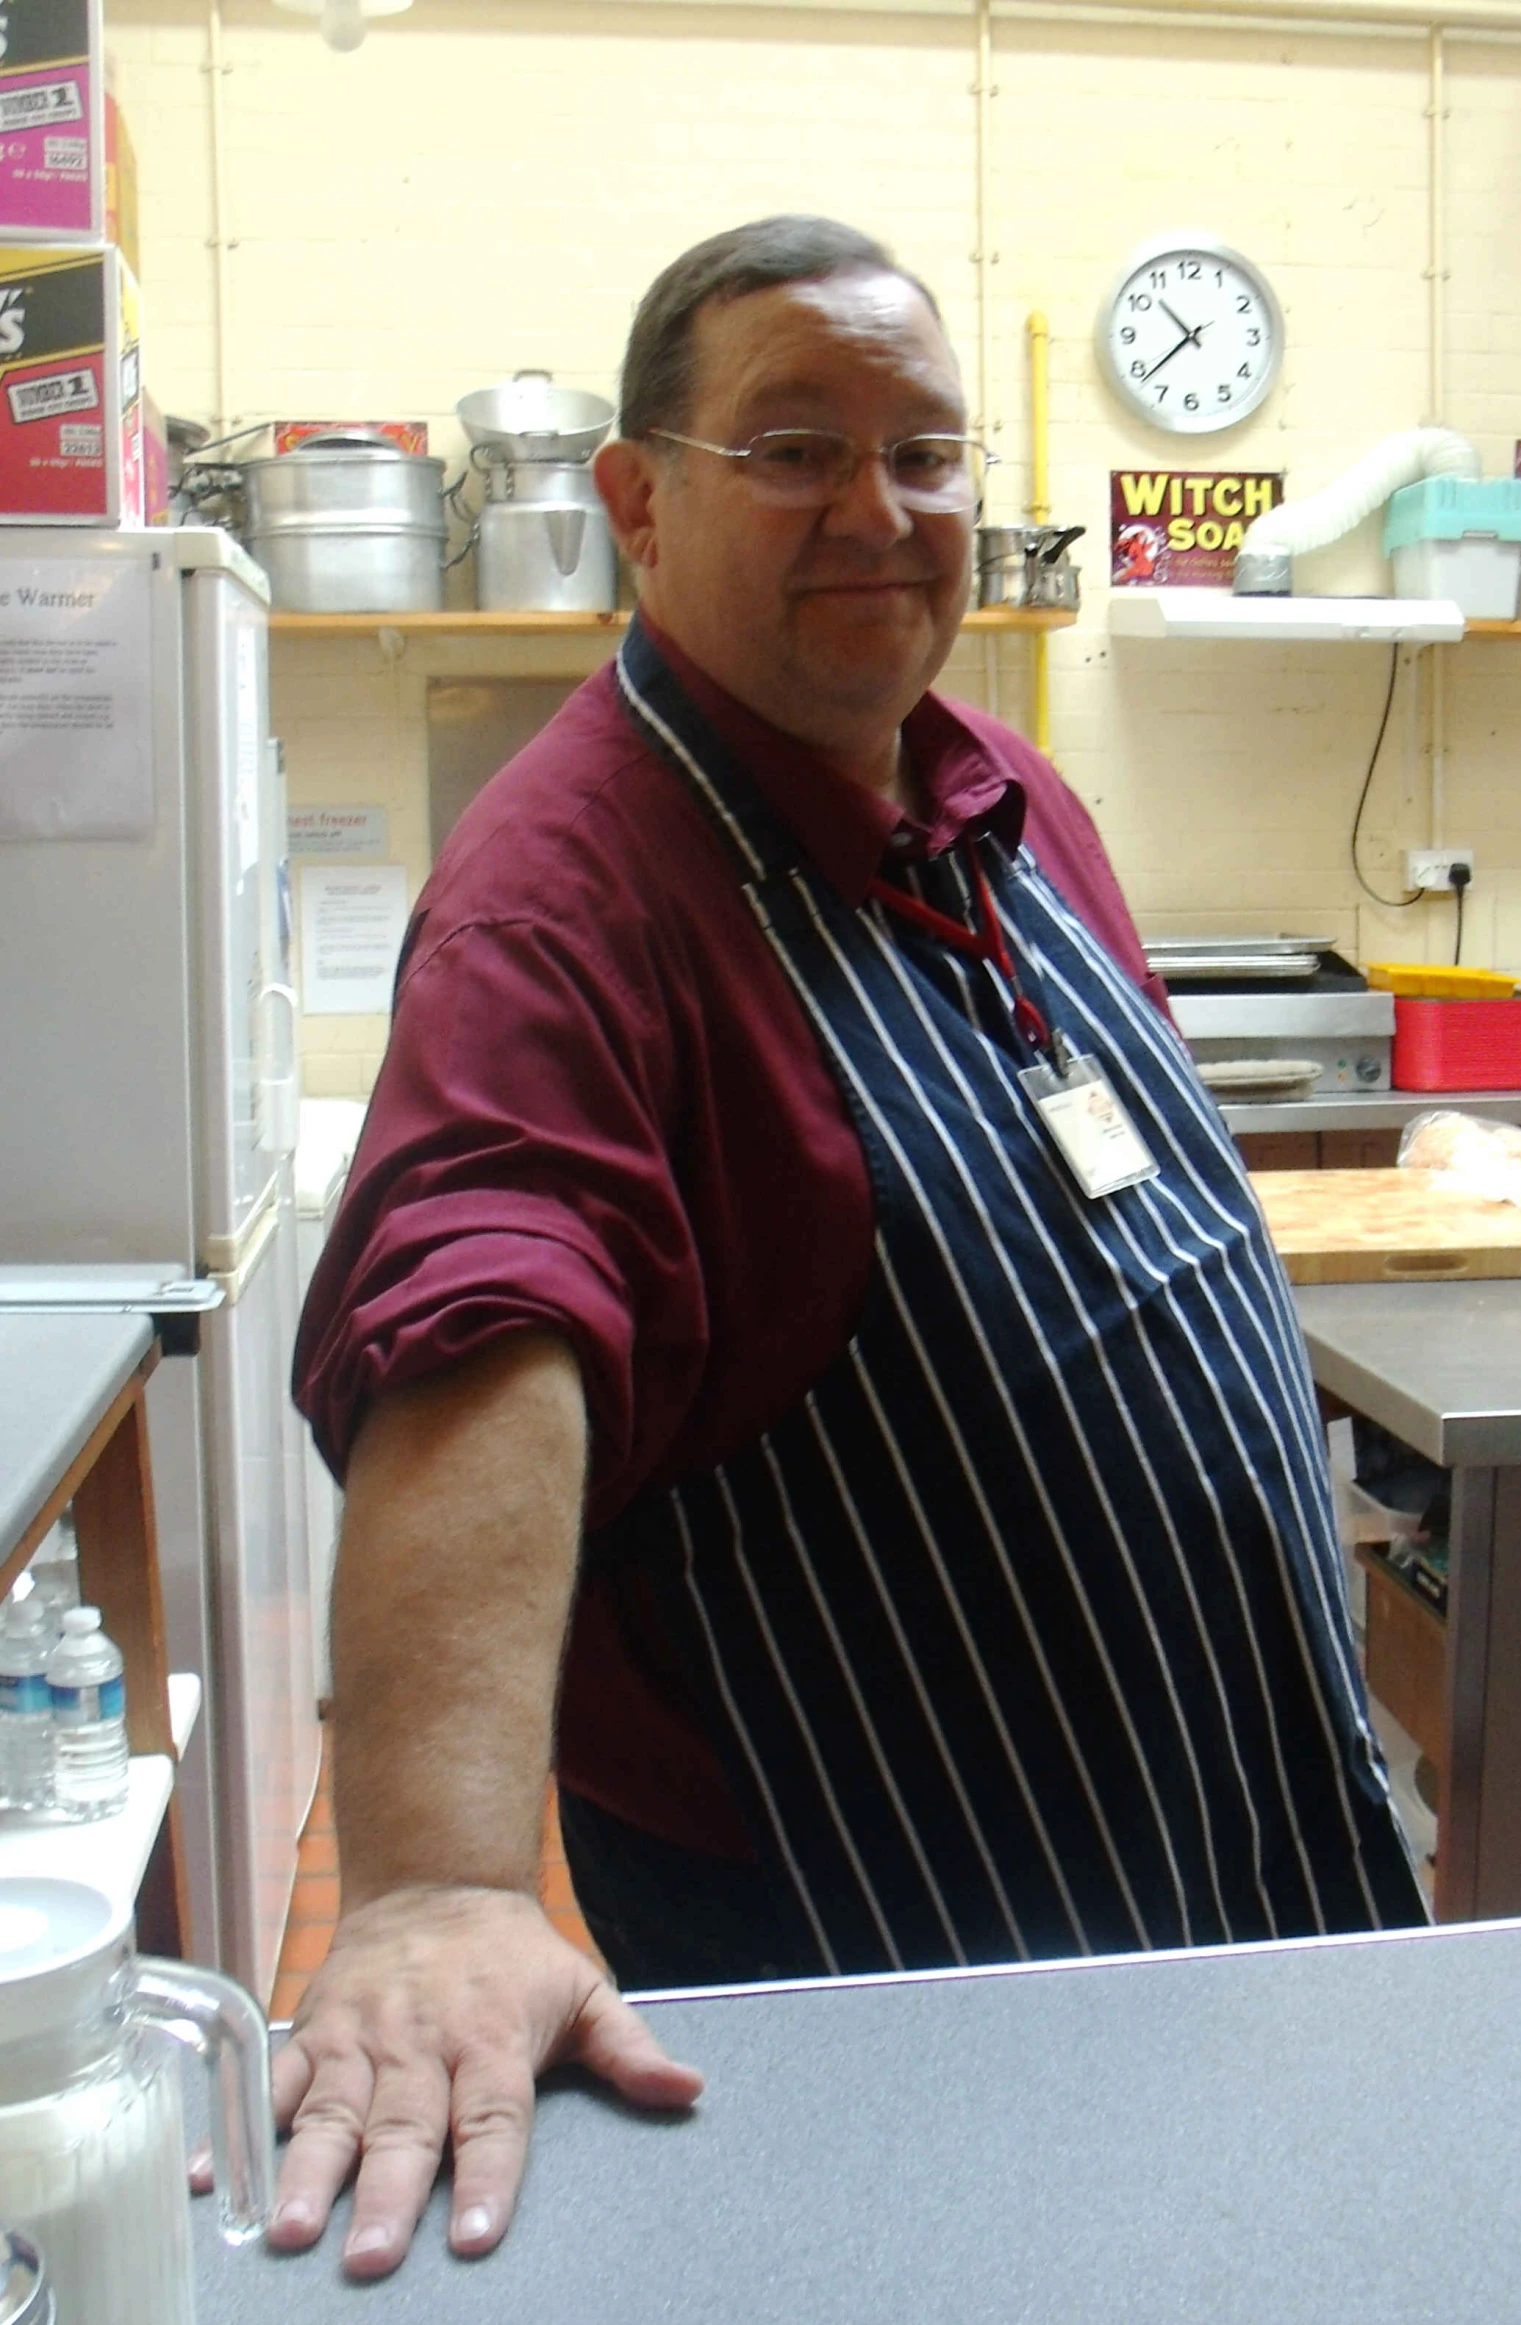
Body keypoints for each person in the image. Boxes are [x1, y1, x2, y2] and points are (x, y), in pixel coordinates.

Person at [276, 215, 1425, 2279]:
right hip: (892, 1919)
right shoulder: (571, 894)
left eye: (924, 452)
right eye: (794, 450)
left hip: (1225, 1824)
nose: (878, 511)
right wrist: (441, 1880)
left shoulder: (1007, 800)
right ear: (637, 499)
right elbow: (479, 1325)